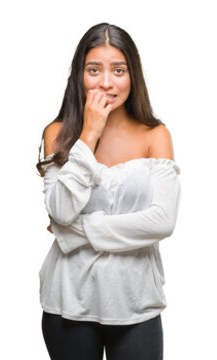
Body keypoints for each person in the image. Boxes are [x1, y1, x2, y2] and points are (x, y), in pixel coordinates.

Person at [37, 23, 180, 360]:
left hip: (137, 303)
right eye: (94, 70)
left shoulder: (155, 134)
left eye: (118, 70)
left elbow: (162, 221)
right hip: (69, 301)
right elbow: (60, 210)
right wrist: (88, 134)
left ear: (133, 75)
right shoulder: (56, 133)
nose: (106, 82)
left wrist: (78, 230)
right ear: (79, 76)